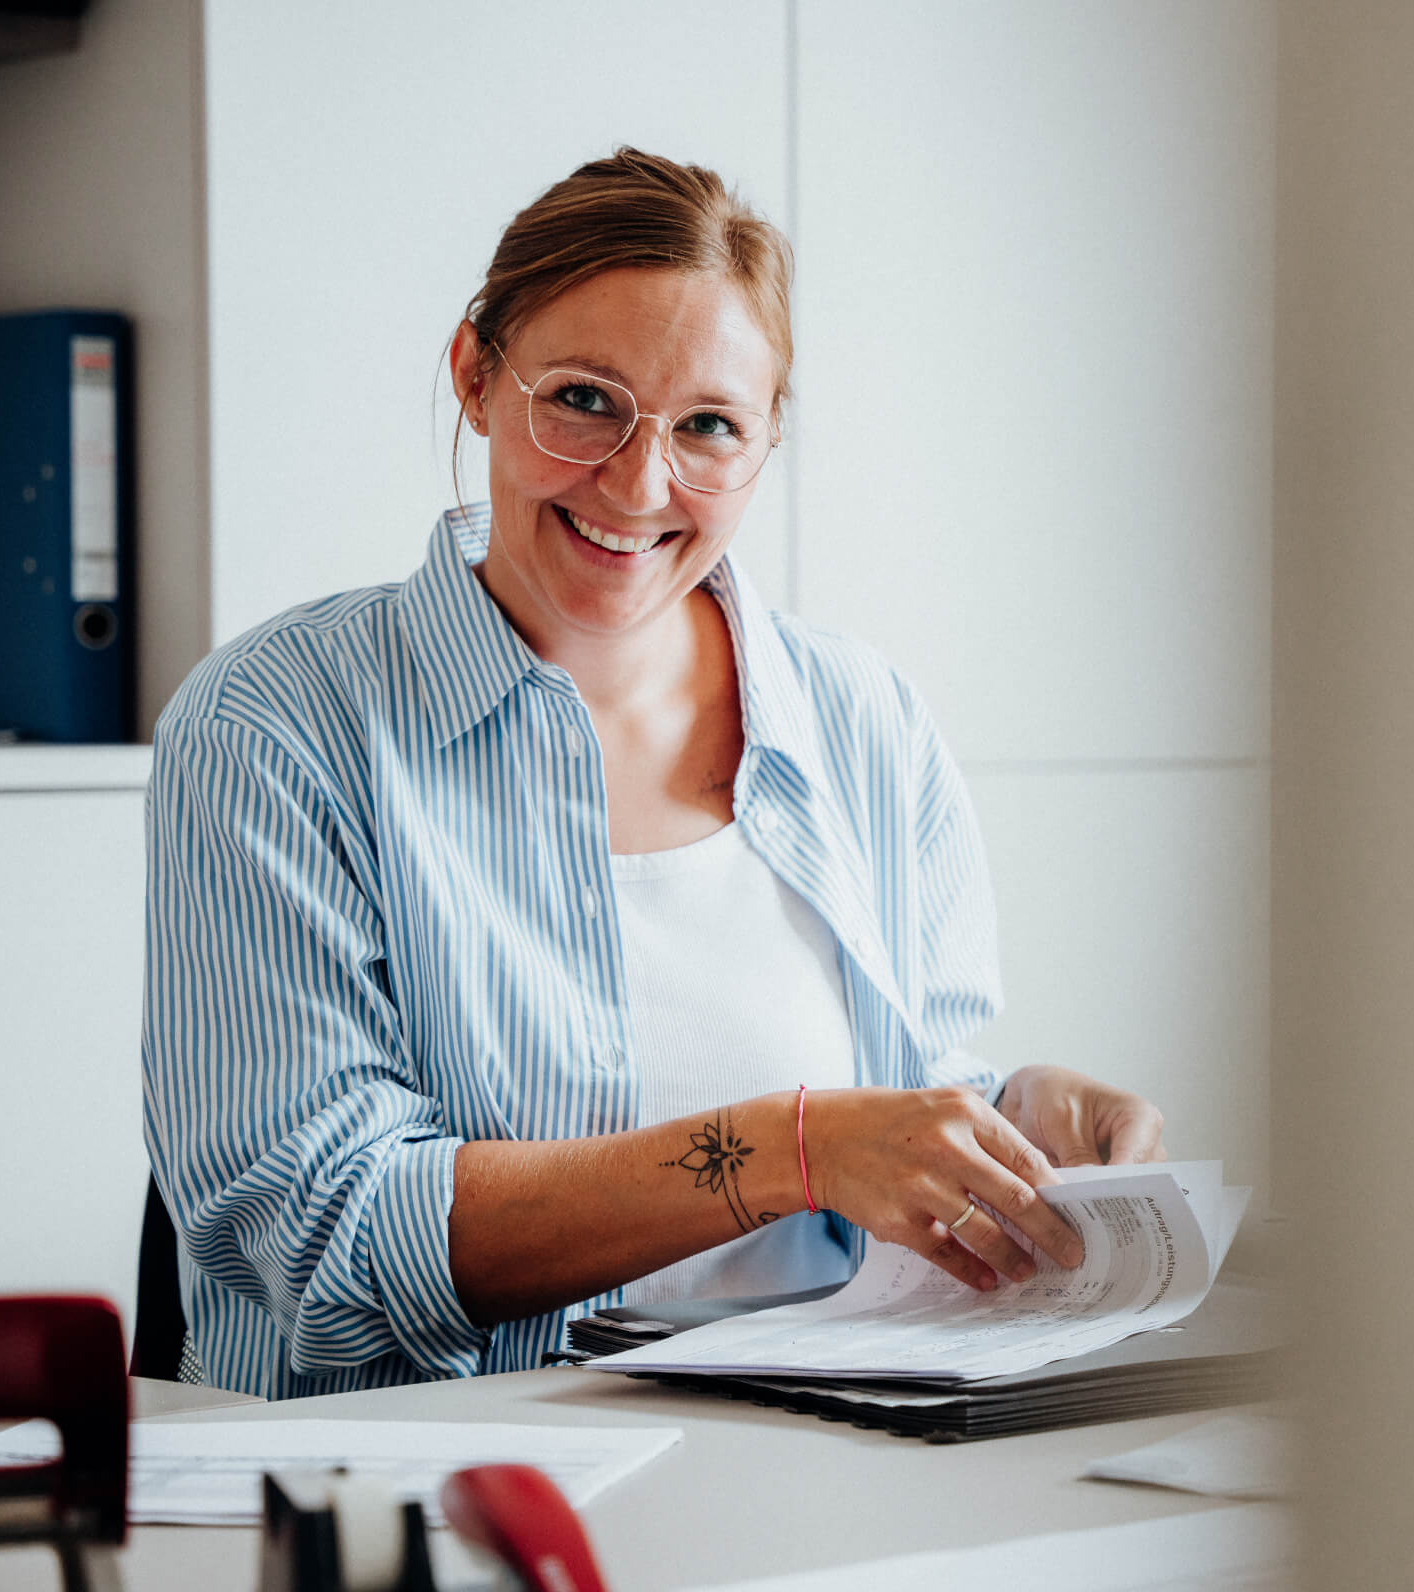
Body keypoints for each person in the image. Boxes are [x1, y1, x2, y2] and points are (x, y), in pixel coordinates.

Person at [143, 148, 1165, 1399]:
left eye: (707, 427)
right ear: (474, 374)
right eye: (581, 399)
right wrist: (786, 1149)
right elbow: (329, 1232)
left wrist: (1009, 1115)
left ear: (767, 436)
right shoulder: (274, 727)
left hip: (829, 1458)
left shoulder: (861, 720)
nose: (637, 483)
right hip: (449, 1490)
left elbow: (899, 1110)